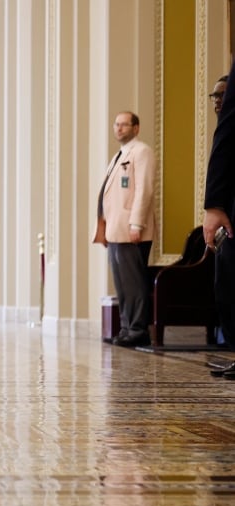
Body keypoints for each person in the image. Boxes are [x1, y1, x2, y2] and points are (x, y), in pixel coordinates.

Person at [93, 111, 157, 347]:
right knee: (121, 283)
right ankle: (127, 327)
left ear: (136, 128)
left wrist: (136, 223)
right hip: (115, 229)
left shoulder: (142, 152)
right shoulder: (119, 155)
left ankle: (138, 329)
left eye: (124, 125)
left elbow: (144, 190)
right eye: (116, 125)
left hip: (131, 228)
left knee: (134, 282)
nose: (119, 129)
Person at [205, 64, 235, 377]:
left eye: (222, 95)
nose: (217, 100)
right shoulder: (222, 128)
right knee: (225, 288)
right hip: (226, 220)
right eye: (214, 95)